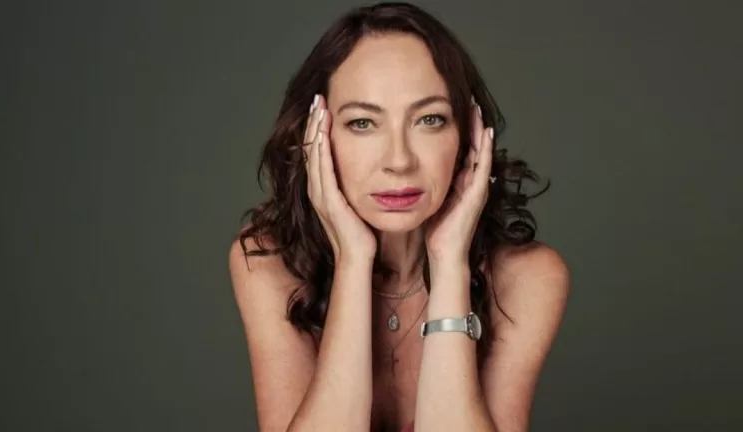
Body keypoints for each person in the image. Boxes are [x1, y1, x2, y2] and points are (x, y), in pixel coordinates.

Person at [228, 2, 570, 431]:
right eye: (362, 123)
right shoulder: (269, 264)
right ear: (315, 136)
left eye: (429, 119)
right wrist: (353, 259)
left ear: (467, 136)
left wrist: (449, 263)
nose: (399, 160)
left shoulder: (527, 278)